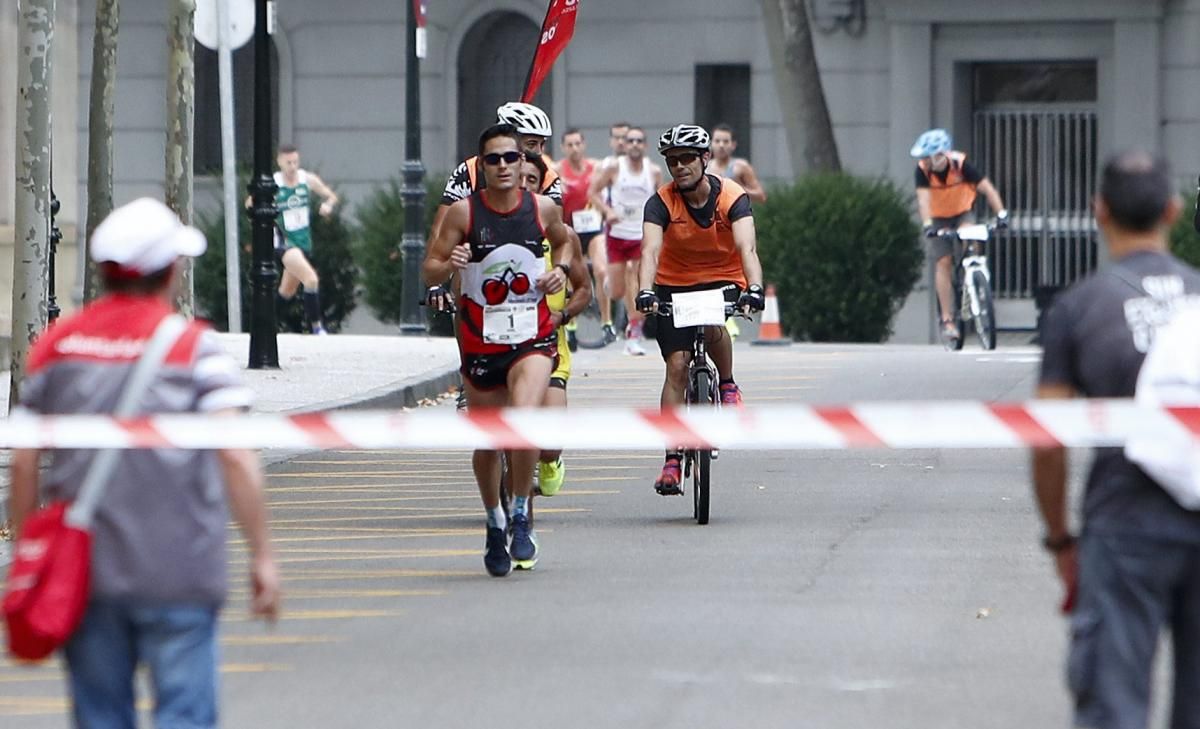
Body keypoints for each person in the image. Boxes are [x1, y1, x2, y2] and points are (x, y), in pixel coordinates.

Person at [7, 198, 280, 729]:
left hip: (87, 574)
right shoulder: (195, 349)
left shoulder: (58, 346)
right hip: (180, 571)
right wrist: (262, 554)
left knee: (100, 716)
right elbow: (234, 453)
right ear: (171, 271)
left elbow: (23, 463)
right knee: (185, 715)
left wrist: (29, 552)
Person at [1032, 151, 1200, 729]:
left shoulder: (1078, 307)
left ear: (1097, 211)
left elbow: (1048, 440)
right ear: (1173, 212)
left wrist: (1059, 540)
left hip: (1123, 525)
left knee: (1113, 704)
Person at [422, 124, 574, 576]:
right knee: (490, 440)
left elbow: (566, 241)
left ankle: (522, 512)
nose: (505, 166)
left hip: (532, 334)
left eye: (512, 158)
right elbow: (428, 269)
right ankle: (495, 520)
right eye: (494, 159)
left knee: (523, 421)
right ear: (481, 166)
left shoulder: (542, 208)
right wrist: (449, 263)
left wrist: (560, 270)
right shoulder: (463, 215)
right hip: (481, 337)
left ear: (523, 163)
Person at [635, 124, 765, 495]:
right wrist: (645, 291)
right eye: (672, 160)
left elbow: (747, 249)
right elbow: (650, 252)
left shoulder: (732, 196)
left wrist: (754, 288)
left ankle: (727, 385)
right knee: (676, 365)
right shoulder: (660, 202)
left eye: (687, 158)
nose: (680, 167)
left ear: (705, 159)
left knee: (713, 328)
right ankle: (672, 459)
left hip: (723, 277)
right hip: (673, 284)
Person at [517, 152, 593, 497]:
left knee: (549, 443)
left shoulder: (563, 237)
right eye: (517, 177)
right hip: (501, 344)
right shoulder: (481, 229)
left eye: (531, 180)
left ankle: (550, 460)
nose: (521, 185)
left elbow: (584, 290)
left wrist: (562, 315)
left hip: (549, 345)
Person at [909, 128, 1008, 343]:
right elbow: (924, 201)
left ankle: (974, 280)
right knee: (943, 261)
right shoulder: (922, 171)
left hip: (962, 212)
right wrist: (928, 226)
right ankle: (947, 320)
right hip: (938, 217)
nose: (924, 161)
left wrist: (1001, 214)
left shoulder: (962, 165)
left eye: (928, 156)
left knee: (971, 239)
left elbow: (988, 190)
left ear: (941, 154)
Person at [589, 126, 662, 355]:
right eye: (630, 141)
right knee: (618, 291)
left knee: (636, 279)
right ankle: (611, 284)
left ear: (645, 145)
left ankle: (634, 332)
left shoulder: (654, 171)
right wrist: (607, 211)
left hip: (641, 236)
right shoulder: (614, 168)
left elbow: (663, 200)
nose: (634, 145)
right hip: (617, 234)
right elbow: (592, 193)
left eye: (639, 141)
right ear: (625, 144)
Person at [269, 144, 339, 334]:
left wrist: (328, 205)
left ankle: (266, 324)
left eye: (295, 162)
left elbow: (331, 196)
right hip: (285, 244)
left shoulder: (306, 179)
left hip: (303, 243)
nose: (292, 166)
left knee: (287, 291)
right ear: (279, 162)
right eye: (288, 162)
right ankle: (317, 328)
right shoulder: (273, 183)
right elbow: (250, 203)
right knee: (311, 280)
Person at [557, 127, 609, 350]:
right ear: (563, 148)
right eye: (569, 145)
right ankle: (571, 325)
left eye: (578, 144)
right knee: (570, 274)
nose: (574, 149)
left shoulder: (596, 167)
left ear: (584, 145)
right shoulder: (557, 170)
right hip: (570, 229)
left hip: (593, 228)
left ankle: (607, 323)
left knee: (601, 270)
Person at [706, 123, 767, 204]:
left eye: (726, 142)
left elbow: (761, 196)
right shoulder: (705, 167)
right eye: (717, 141)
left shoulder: (741, 167)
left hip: (736, 213)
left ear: (733, 145)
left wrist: (739, 188)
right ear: (711, 143)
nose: (721, 145)